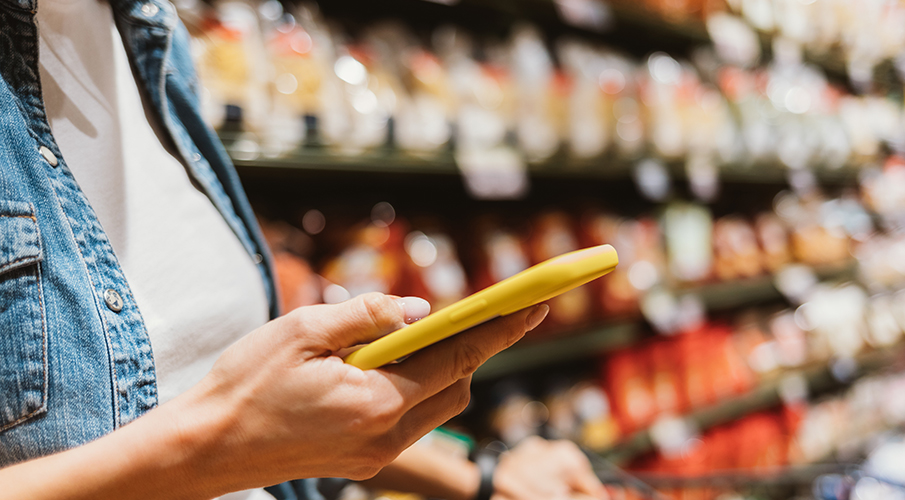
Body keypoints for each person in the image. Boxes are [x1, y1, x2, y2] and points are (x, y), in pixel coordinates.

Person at [0, 0, 608, 499]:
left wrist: (481, 477)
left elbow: (234, 391)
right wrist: (221, 441)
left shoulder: (149, 33)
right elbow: (237, 427)